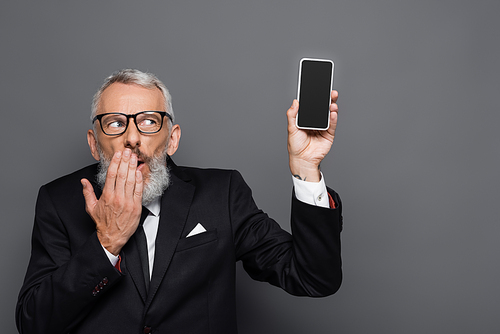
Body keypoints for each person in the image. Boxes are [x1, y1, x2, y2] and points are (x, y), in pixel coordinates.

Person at [16, 69, 343, 334]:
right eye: (115, 123)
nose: (132, 138)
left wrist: (305, 168)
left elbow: (312, 278)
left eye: (148, 121)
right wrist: (107, 242)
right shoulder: (58, 202)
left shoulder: (222, 193)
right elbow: (35, 323)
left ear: (171, 139)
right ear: (94, 143)